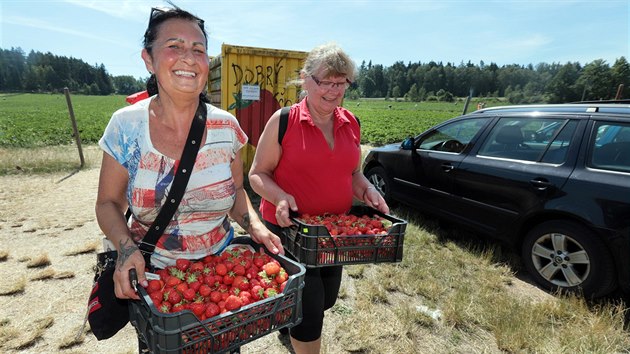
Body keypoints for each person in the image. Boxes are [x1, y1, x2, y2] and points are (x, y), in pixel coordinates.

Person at [95, 4, 282, 313]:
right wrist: (126, 249)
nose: (188, 57)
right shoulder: (126, 126)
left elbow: (236, 192)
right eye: (174, 46)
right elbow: (108, 204)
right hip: (157, 283)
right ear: (148, 59)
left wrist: (256, 227)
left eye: (198, 49)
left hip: (224, 279)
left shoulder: (226, 127)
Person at [248, 42, 389, 354]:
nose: (333, 90)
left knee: (326, 299)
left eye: (341, 83)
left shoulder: (350, 122)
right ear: (305, 79)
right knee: (309, 307)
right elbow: (257, 174)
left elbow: (352, 173)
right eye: (325, 81)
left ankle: (288, 320)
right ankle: (297, 326)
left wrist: (367, 190)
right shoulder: (283, 121)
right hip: (290, 231)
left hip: (332, 235)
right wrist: (281, 196)